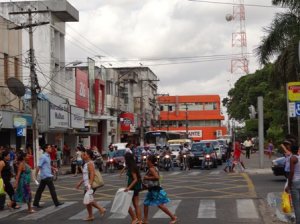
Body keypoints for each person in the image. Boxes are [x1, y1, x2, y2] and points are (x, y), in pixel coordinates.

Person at [143, 155, 178, 224]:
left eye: (147, 160)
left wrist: (147, 178)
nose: (146, 161)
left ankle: (173, 217)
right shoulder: (153, 167)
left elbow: (157, 177)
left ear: (150, 162)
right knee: (146, 204)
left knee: (160, 205)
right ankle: (145, 220)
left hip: (155, 190)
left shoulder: (152, 169)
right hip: (151, 189)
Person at [76, 149, 106, 221]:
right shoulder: (87, 163)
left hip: (89, 185)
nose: (83, 155)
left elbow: (92, 174)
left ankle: (101, 209)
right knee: (88, 200)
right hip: (87, 184)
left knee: (88, 199)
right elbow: (86, 175)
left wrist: (90, 184)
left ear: (88, 156)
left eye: (85, 154)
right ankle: (91, 215)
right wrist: (80, 182)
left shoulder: (90, 163)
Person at [124, 153, 142, 224]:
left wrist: (128, 188)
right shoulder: (133, 166)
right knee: (136, 204)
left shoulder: (132, 167)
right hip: (135, 187)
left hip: (133, 188)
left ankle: (134, 218)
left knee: (126, 204)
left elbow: (135, 179)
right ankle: (139, 220)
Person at [285, 142, 300, 223]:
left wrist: (289, 185)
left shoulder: (293, 158)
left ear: (291, 149)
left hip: (295, 182)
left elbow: (291, 172)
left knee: (296, 205)